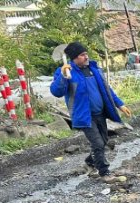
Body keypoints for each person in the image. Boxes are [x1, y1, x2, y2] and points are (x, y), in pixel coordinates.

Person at [50, 41, 132, 183]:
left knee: (104, 141)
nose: (86, 57)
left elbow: (107, 90)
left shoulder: (94, 69)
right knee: (98, 143)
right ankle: (104, 172)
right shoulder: (66, 72)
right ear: (74, 58)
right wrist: (63, 76)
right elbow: (57, 92)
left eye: (86, 54)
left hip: (100, 113)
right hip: (84, 116)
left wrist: (120, 104)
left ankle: (90, 162)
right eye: (82, 55)